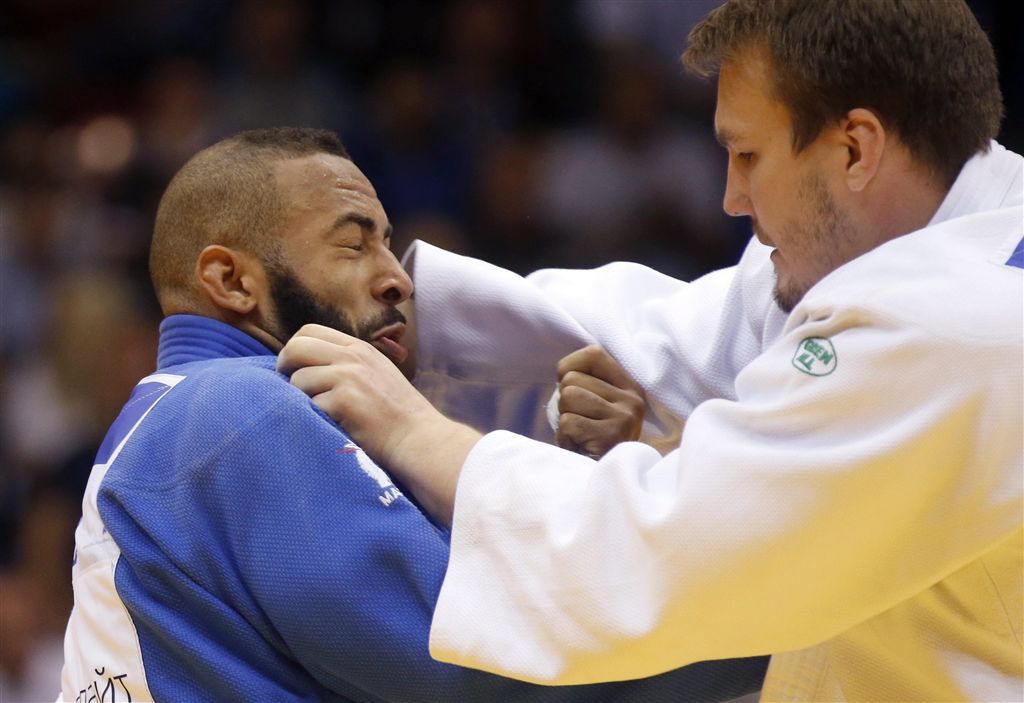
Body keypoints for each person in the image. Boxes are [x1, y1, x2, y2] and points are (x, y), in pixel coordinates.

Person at [277, 1, 1024, 700]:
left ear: (856, 148)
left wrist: (415, 431)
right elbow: (659, 332)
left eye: (748, 154)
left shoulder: (954, 321)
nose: (732, 196)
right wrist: (398, 308)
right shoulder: (930, 238)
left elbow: (661, 551)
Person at [59, 127, 770, 702]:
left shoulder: (180, 421)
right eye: (353, 240)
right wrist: (790, 614)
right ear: (231, 280)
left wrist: (587, 481)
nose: (398, 274)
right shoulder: (238, 411)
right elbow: (479, 667)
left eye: (386, 240)